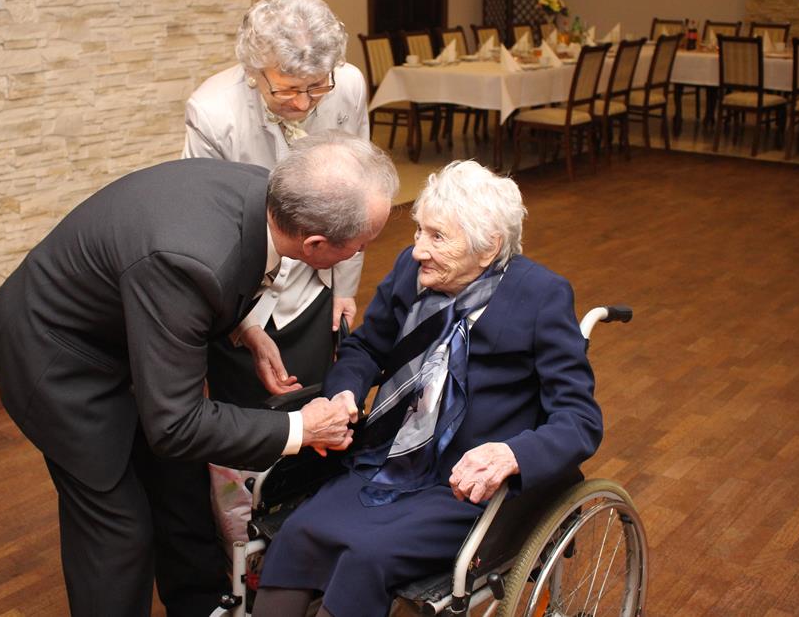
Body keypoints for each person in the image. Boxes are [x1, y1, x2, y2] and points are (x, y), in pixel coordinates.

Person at [0, 131, 399, 617]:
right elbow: (175, 424)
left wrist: (245, 329)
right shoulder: (188, 260)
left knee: (177, 484)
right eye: (361, 244)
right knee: (118, 527)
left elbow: (202, 284)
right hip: (54, 357)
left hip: (123, 337)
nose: (360, 253)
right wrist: (302, 428)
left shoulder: (268, 196)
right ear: (316, 243)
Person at [252, 161, 603, 617]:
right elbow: (366, 347)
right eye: (419, 230)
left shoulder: (540, 296)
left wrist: (511, 455)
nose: (418, 250)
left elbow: (579, 420)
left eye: (437, 237)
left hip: (465, 485)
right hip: (384, 462)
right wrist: (344, 392)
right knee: (300, 533)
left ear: (489, 247)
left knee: (366, 558)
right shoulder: (410, 270)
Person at [183, 0, 370, 405]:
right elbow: (205, 230)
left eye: (316, 87)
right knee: (244, 412)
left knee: (317, 402)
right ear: (254, 70)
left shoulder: (348, 86)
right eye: (287, 90)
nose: (303, 103)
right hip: (240, 291)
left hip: (317, 279)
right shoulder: (213, 112)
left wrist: (345, 287)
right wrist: (245, 326)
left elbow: (355, 195)